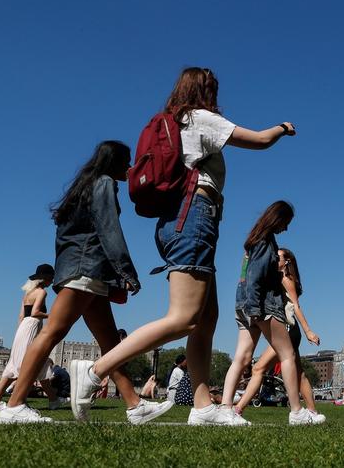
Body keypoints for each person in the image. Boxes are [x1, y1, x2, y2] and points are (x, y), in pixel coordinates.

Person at [69, 68, 297, 426]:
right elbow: (259, 140)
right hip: (194, 218)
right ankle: (95, 370)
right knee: (184, 317)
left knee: (206, 319)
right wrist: (282, 128)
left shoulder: (176, 122)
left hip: (181, 220)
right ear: (205, 91)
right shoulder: (200, 118)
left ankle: (203, 407)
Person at [0, 141, 172, 425]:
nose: (129, 167)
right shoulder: (104, 183)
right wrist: (127, 271)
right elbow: (109, 228)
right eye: (126, 161)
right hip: (86, 269)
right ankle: (14, 405)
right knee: (52, 333)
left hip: (82, 268)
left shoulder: (82, 189)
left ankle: (135, 404)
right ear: (113, 162)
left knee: (110, 342)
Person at [219, 201, 322, 425]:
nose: (286, 228)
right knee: (287, 356)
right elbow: (256, 277)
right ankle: (297, 412)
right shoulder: (265, 242)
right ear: (278, 219)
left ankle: (226, 409)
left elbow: (249, 276)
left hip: (244, 304)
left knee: (242, 357)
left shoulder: (254, 240)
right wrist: (256, 309)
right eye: (286, 222)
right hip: (262, 306)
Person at [0, 265, 63, 412]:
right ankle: (1, 400)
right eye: (51, 277)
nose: (52, 280)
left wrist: (21, 332)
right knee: (29, 363)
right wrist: (52, 315)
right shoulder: (42, 292)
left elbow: (21, 316)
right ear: (45, 278)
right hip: (32, 327)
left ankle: (53, 400)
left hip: (23, 328)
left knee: (26, 363)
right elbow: (35, 312)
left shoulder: (27, 293)